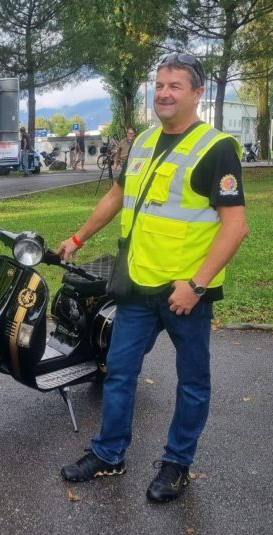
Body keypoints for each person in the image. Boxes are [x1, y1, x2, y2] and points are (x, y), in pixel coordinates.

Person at [58, 53, 248, 503]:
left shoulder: (216, 148)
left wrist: (197, 285)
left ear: (197, 93)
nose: (164, 93)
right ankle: (109, 454)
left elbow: (235, 226)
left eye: (175, 86)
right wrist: (78, 238)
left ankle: (177, 464)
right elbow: (117, 196)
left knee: (192, 382)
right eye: (159, 85)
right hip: (137, 286)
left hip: (184, 293)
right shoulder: (143, 142)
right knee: (119, 372)